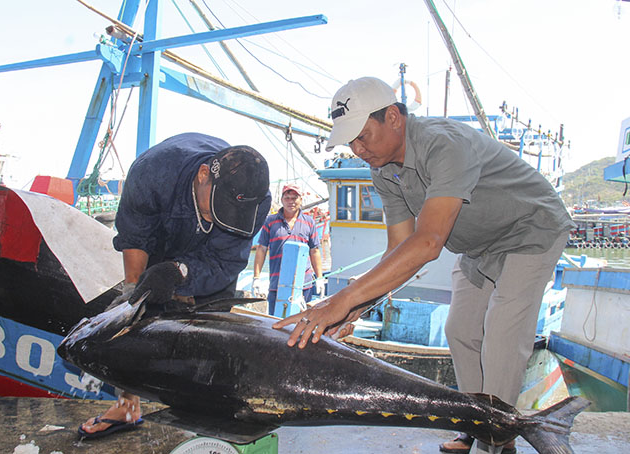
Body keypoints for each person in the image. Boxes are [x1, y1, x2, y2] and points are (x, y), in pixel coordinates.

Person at [273, 77, 574, 454]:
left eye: (363, 135)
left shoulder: (444, 144)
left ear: (394, 117)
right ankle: (474, 421)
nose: (357, 148)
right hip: (479, 247)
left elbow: (429, 242)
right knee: (460, 330)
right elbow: (399, 249)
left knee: (501, 335)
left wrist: (342, 298)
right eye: (351, 141)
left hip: (530, 230)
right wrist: (352, 309)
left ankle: (496, 441)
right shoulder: (383, 170)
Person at [78, 132, 271, 439]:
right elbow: (136, 237)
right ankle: (128, 406)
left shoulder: (253, 197)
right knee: (140, 320)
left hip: (213, 256)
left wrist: (181, 273)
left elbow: (224, 262)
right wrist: (133, 294)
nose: (220, 218)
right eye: (217, 206)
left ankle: (206, 415)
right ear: (203, 175)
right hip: (162, 236)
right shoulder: (152, 172)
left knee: (211, 334)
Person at [252, 183, 325, 314]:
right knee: (277, 322)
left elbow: (314, 251)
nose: (291, 202)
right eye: (287, 198)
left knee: (302, 322)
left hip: (304, 285)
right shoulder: (270, 221)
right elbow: (261, 249)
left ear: (300, 200)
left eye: (294, 198)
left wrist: (319, 277)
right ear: (281, 200)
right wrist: (256, 278)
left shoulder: (309, 222)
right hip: (277, 283)